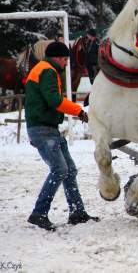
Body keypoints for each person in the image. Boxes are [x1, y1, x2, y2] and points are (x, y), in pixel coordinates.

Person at [25, 41, 99, 231]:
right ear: (57, 58)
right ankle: (39, 213)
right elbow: (54, 100)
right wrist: (79, 111)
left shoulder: (43, 69)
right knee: (59, 170)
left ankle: (77, 212)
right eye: (65, 59)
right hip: (43, 129)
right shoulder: (48, 71)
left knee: (70, 170)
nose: (67, 63)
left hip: (48, 128)